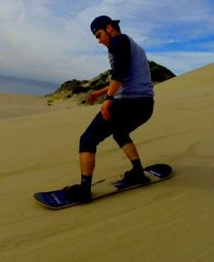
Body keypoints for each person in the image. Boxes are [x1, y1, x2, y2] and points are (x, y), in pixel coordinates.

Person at [64, 16, 155, 203]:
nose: (99, 41)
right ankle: (138, 172)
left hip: (128, 104)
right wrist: (101, 92)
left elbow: (119, 73)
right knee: (120, 133)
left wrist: (109, 98)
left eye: (99, 35)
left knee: (87, 139)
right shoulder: (133, 46)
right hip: (145, 105)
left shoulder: (118, 41)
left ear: (109, 28)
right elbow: (127, 78)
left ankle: (84, 190)